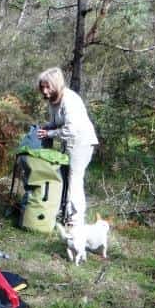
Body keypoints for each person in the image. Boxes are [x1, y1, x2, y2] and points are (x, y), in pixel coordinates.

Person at [35, 67, 98, 226]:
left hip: (81, 142)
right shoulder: (53, 101)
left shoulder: (69, 100)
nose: (45, 91)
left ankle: (75, 221)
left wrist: (49, 134)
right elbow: (56, 123)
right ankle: (61, 212)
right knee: (62, 177)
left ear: (56, 85)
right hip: (68, 142)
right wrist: (46, 127)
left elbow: (71, 129)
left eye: (47, 87)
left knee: (74, 179)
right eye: (42, 87)